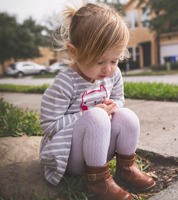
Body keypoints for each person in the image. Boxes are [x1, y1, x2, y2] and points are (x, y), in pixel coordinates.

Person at [39, 2, 155, 200]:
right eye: (100, 61)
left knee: (127, 115)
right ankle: (97, 181)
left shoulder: (112, 74)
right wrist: (87, 115)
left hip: (99, 149)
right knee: (96, 117)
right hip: (70, 155)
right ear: (74, 52)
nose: (108, 69)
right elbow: (49, 126)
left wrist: (114, 106)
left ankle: (126, 168)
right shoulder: (65, 83)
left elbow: (119, 98)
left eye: (115, 60)